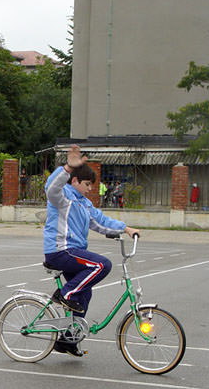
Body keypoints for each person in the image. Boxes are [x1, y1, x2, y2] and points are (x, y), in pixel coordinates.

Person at [43, 145, 140, 357]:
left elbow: (101, 222)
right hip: (60, 250)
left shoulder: (84, 204)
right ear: (75, 181)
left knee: (85, 293)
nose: (90, 189)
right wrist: (68, 167)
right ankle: (65, 294)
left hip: (74, 251)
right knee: (102, 265)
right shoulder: (62, 198)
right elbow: (50, 188)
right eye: (87, 184)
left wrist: (126, 229)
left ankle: (67, 340)